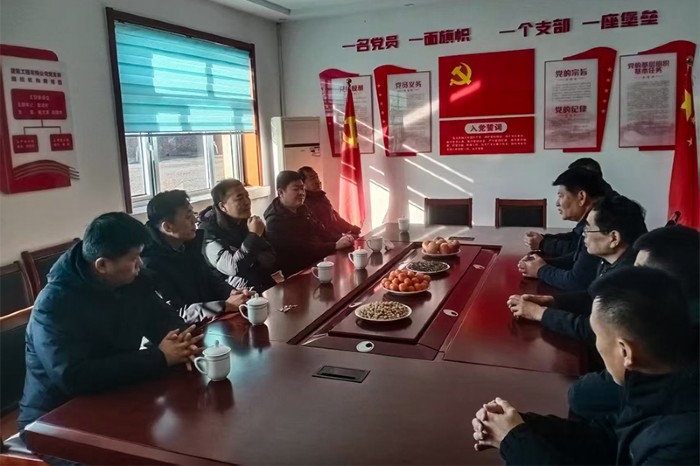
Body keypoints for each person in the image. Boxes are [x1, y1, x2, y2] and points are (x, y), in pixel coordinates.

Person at [472, 267, 699, 465]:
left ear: (625, 352)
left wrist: (514, 440)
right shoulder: (656, 379)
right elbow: (609, 438)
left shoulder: (684, 442)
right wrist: (524, 426)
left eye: (597, 335)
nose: (596, 343)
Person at [18, 213, 201, 438]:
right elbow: (74, 377)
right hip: (55, 418)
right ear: (102, 265)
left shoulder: (131, 280)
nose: (140, 264)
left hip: (116, 394)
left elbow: (164, 320)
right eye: (133, 258)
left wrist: (184, 342)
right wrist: (160, 357)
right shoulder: (54, 304)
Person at [567, 225, 700, 421]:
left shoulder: (671, 334)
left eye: (638, 273)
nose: (629, 277)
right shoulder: (680, 308)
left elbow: (584, 395)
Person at [508, 195, 647, 346]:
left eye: (588, 229)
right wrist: (551, 301)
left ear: (613, 238)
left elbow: (592, 330)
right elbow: (594, 297)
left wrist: (539, 313)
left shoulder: (627, 278)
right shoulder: (611, 261)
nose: (583, 235)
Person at [141, 190, 251, 324]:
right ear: (168, 226)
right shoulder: (150, 264)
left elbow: (210, 280)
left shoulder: (188, 245)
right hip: (185, 332)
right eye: (188, 217)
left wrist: (233, 294)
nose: (195, 220)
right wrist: (225, 305)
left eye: (193, 213)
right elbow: (177, 312)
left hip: (208, 321)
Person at [518, 168, 605, 291]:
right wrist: (542, 263)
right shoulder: (592, 220)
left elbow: (577, 281)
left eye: (561, 196)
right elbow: (577, 257)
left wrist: (541, 270)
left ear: (581, 197)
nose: (557, 203)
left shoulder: (600, 226)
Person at [264, 170, 354, 277]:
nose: (301, 193)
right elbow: (301, 249)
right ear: (281, 192)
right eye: (296, 189)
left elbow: (321, 231)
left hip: (318, 262)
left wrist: (342, 239)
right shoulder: (274, 221)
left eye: (302, 188)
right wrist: (334, 246)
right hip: (297, 274)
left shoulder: (302, 208)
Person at [199, 179, 279, 293]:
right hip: (235, 292)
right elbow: (234, 268)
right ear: (222, 206)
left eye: (247, 196)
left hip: (261, 282)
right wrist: (253, 236)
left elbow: (271, 257)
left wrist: (251, 260)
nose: (247, 202)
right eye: (239, 198)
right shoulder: (209, 232)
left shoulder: (246, 222)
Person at [525, 157, 617, 255]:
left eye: (561, 196)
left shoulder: (608, 212)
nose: (557, 203)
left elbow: (579, 251)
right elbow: (576, 237)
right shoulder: (601, 203)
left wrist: (543, 244)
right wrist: (544, 239)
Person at [298, 166, 361, 237]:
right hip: (329, 241)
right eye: (312, 178)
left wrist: (352, 229)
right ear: (302, 184)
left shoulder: (321, 197)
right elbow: (320, 231)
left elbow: (336, 218)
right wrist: (340, 239)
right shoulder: (305, 203)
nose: (317, 181)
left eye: (316, 177)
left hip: (338, 238)